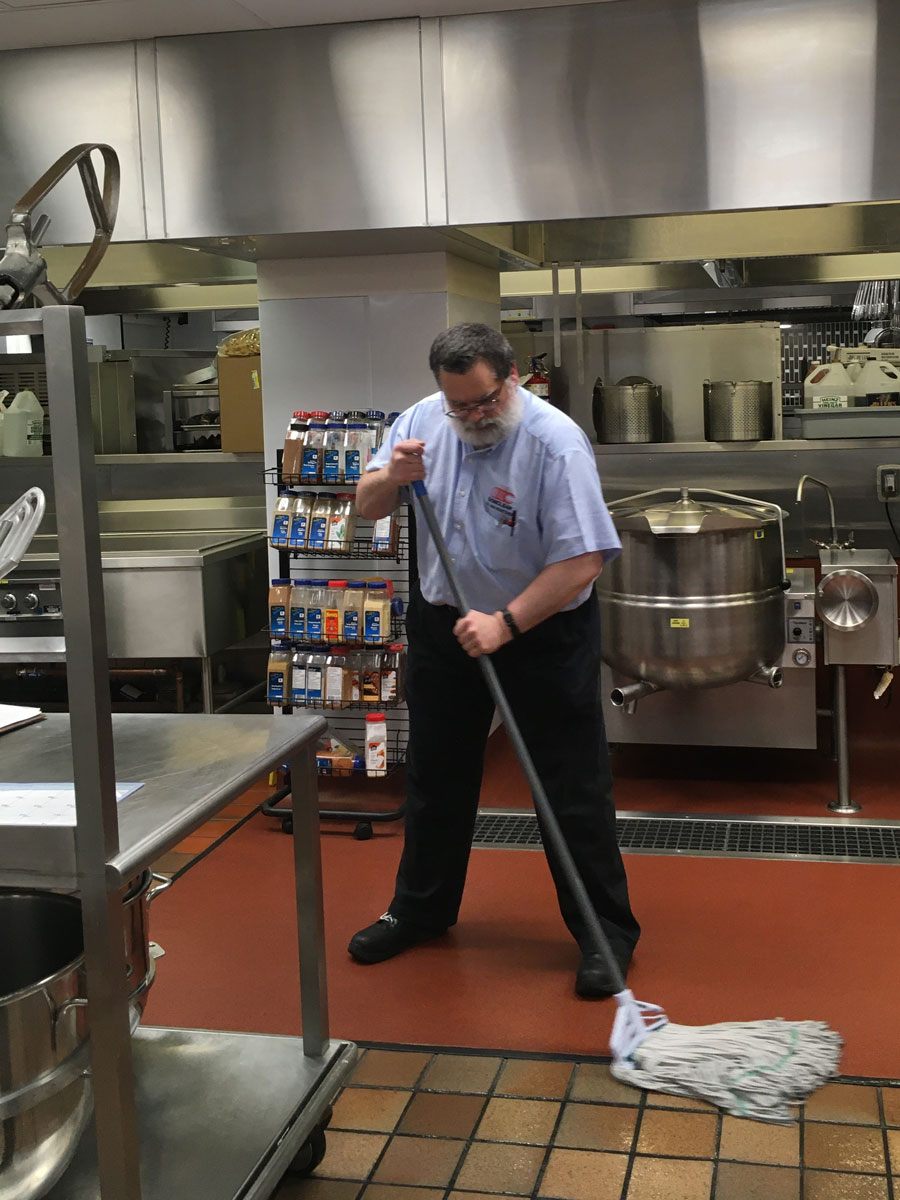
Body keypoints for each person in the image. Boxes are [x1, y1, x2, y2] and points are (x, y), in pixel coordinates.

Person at [348, 323, 639, 997]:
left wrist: (506, 624)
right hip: (444, 622)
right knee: (436, 774)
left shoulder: (554, 443)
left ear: (512, 378)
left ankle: (606, 934)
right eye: (461, 406)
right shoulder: (421, 421)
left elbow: (582, 562)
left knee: (568, 786)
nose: (473, 417)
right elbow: (367, 507)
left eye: (484, 401)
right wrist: (392, 475)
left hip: (540, 631)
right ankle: (420, 910)